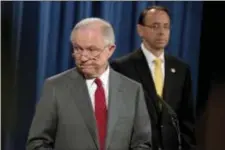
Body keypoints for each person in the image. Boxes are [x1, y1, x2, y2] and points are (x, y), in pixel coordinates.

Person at [26, 18, 152, 150]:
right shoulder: (55, 87)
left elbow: (142, 144)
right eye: (78, 49)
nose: (83, 57)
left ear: (110, 49)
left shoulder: (132, 90)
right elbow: (37, 143)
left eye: (92, 50)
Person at [111, 6, 196, 150]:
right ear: (140, 30)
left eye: (166, 27)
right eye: (155, 26)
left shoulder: (181, 69)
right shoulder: (122, 67)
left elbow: (186, 119)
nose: (162, 32)